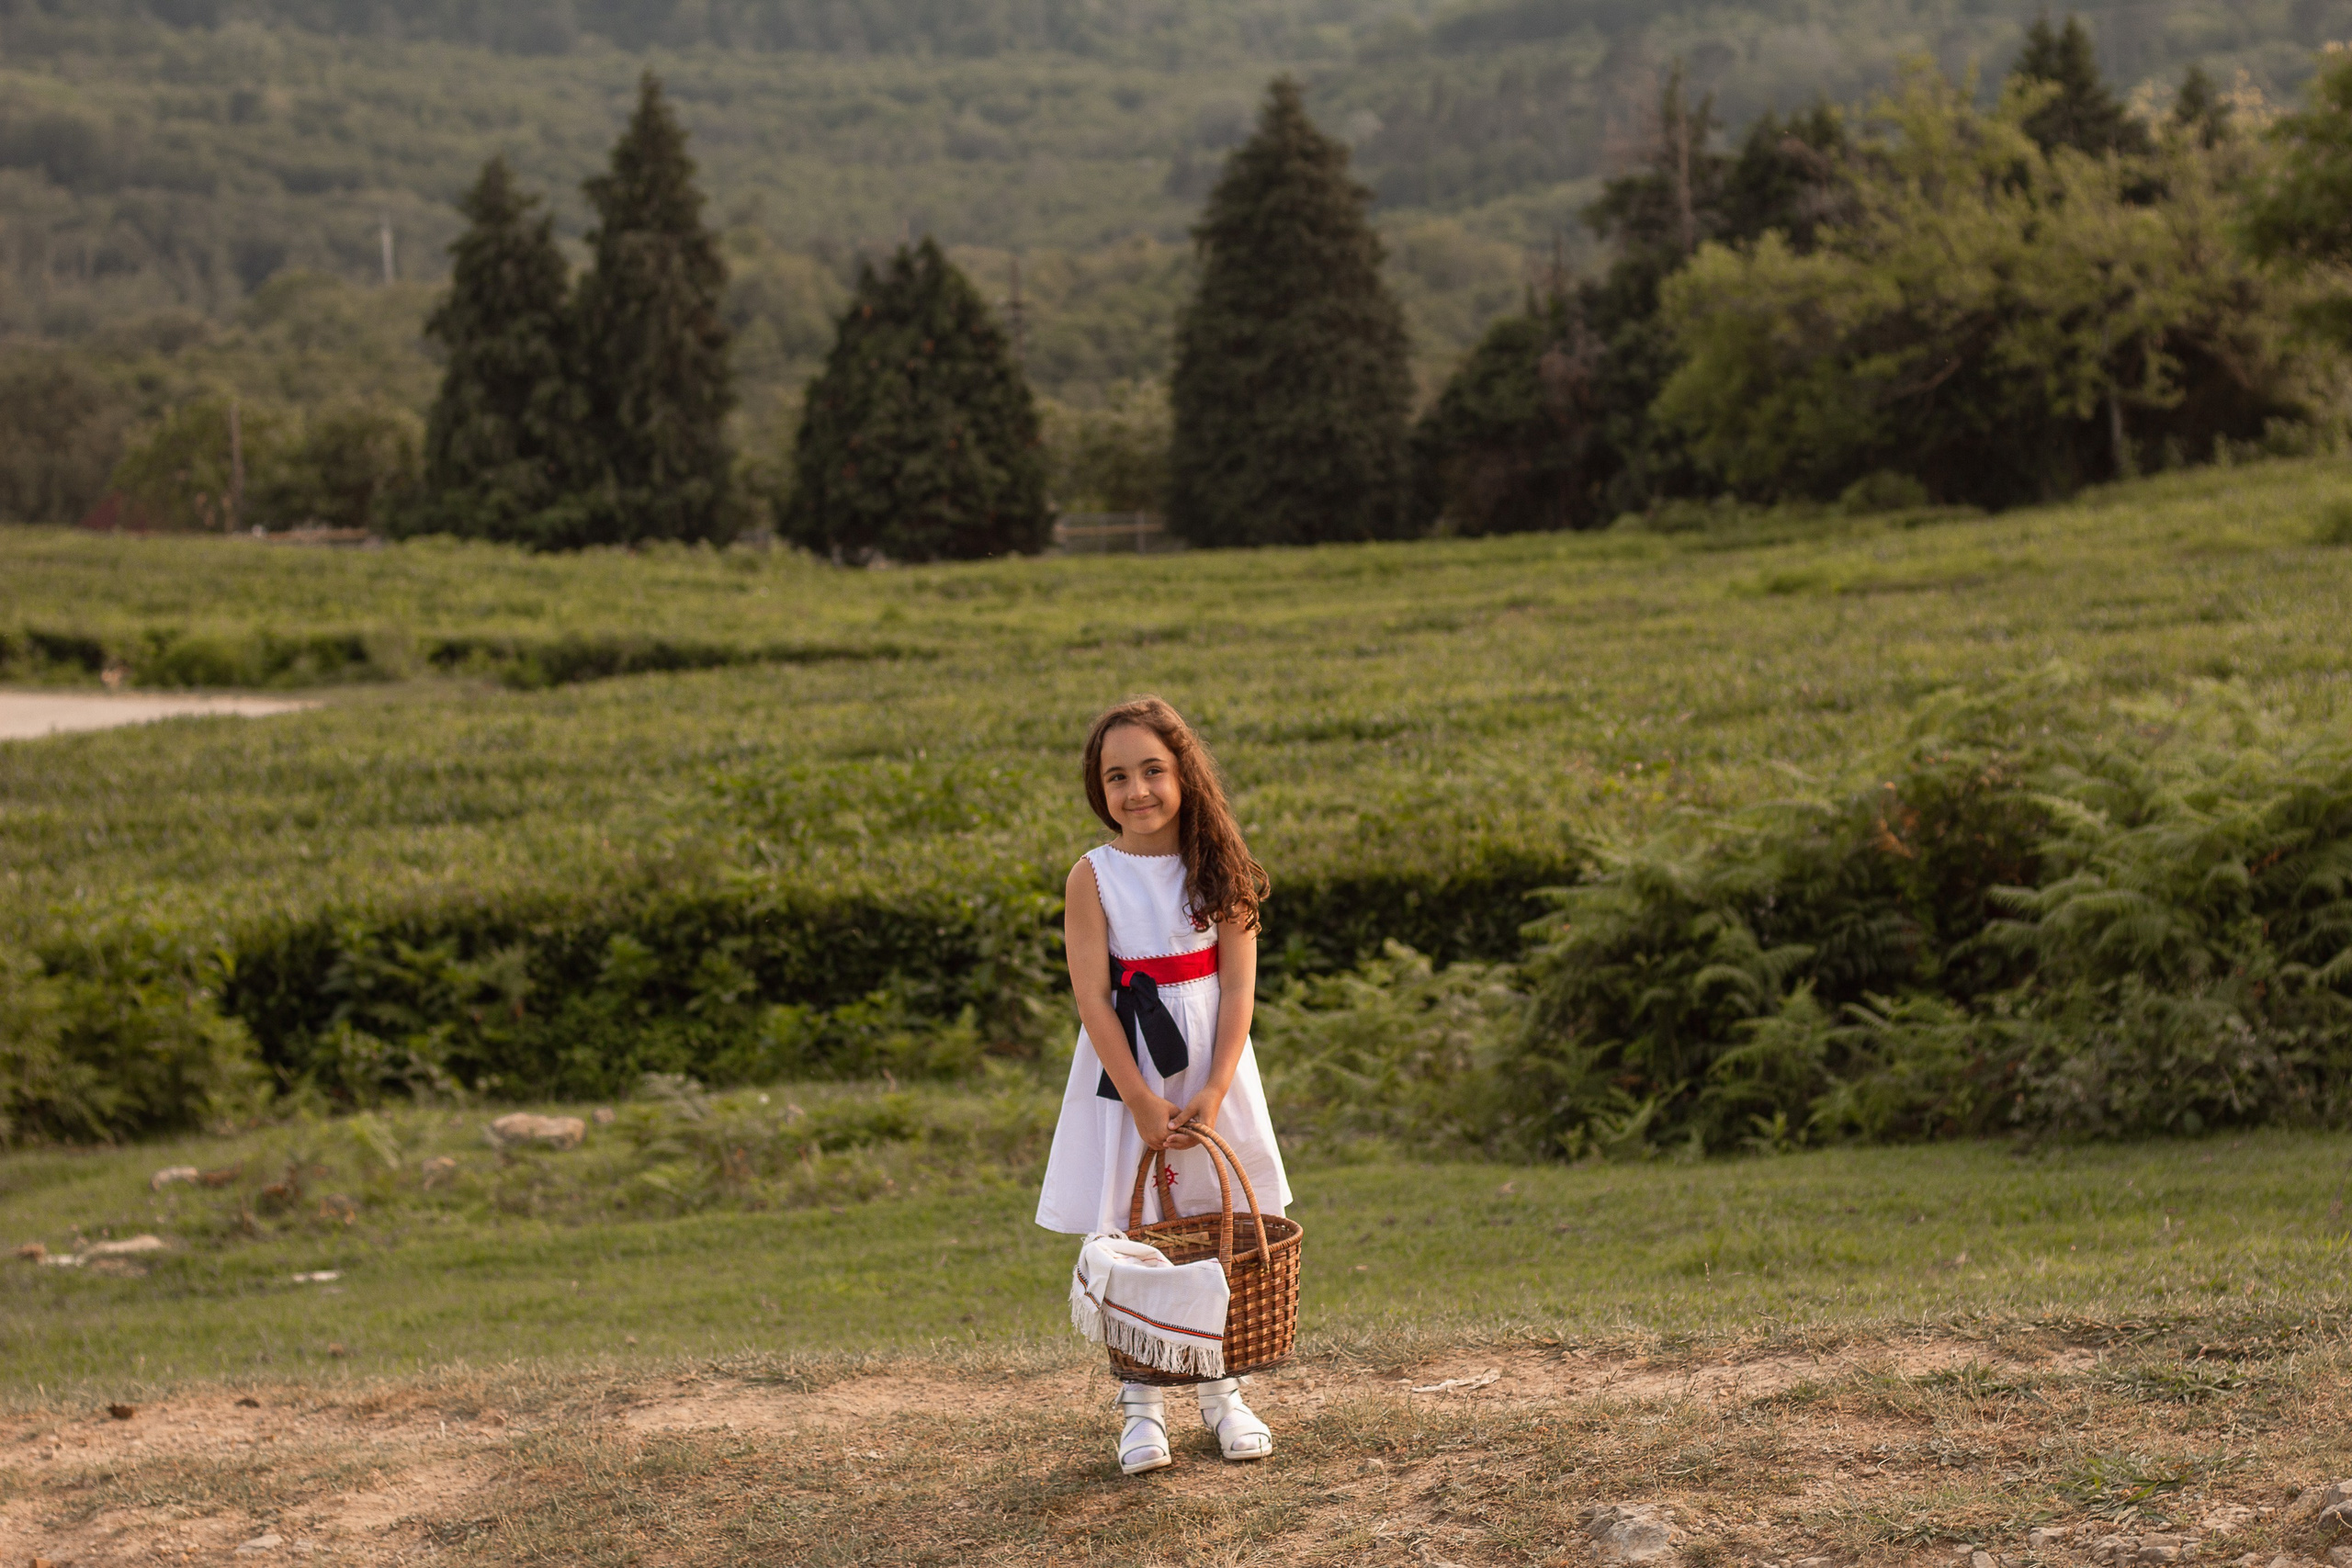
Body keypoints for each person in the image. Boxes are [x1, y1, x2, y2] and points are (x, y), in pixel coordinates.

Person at [1036, 694, 1293, 1475]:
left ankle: (1224, 1393)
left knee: (1218, 1227)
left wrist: (1212, 1091)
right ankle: (1139, 1407)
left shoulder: (1223, 870)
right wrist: (1142, 1097)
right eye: (1117, 776)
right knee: (1132, 1232)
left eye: (1153, 769)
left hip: (1213, 1068)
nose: (1136, 790)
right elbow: (1091, 997)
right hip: (1128, 1077)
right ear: (1098, 787)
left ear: (1185, 773)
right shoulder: (1093, 876)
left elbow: (1239, 993)